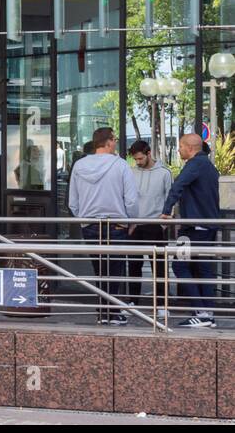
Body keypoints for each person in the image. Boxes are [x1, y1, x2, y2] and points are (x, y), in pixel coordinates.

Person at [68, 127, 138, 325]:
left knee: (99, 268)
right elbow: (131, 200)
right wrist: (130, 221)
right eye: (114, 139)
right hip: (116, 224)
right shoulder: (121, 165)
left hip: (90, 225)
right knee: (115, 270)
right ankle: (112, 313)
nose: (115, 143)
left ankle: (103, 312)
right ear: (108, 142)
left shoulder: (79, 166)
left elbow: (73, 201)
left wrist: (83, 218)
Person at [161, 132, 221, 329]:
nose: (178, 149)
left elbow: (177, 185)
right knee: (204, 268)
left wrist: (166, 210)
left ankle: (202, 313)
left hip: (193, 228)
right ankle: (206, 313)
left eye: (180, 146)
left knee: (179, 266)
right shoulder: (209, 166)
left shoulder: (194, 165)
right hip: (206, 226)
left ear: (190, 147)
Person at [126, 140, 172, 311]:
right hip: (135, 225)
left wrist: (164, 224)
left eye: (140, 158)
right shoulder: (131, 172)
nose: (137, 162)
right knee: (134, 265)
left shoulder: (164, 173)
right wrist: (129, 222)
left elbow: (170, 198)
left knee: (159, 267)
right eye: (135, 159)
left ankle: (161, 305)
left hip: (155, 225)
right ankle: (133, 302)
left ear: (148, 153)